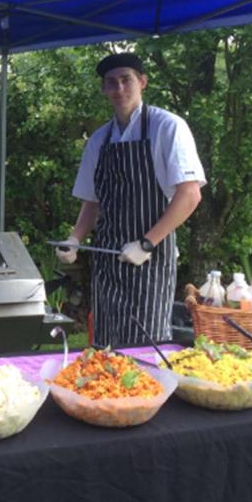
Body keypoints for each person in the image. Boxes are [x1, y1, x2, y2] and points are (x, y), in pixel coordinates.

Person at [56, 53, 205, 346]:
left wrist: (146, 243)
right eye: (111, 83)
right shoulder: (99, 140)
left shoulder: (168, 127)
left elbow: (190, 195)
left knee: (144, 348)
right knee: (104, 347)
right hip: (107, 261)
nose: (119, 89)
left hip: (150, 260)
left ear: (142, 82)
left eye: (126, 80)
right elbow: (92, 201)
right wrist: (74, 239)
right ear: (104, 89)